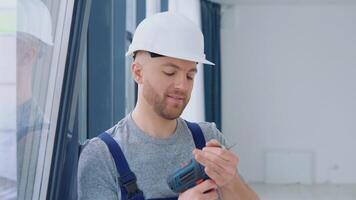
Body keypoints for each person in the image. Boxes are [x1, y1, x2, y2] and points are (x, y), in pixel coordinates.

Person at [78, 12, 259, 200]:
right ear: (138, 72)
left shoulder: (208, 138)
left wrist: (231, 180)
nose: (182, 85)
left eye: (190, 75)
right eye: (170, 72)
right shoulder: (101, 155)